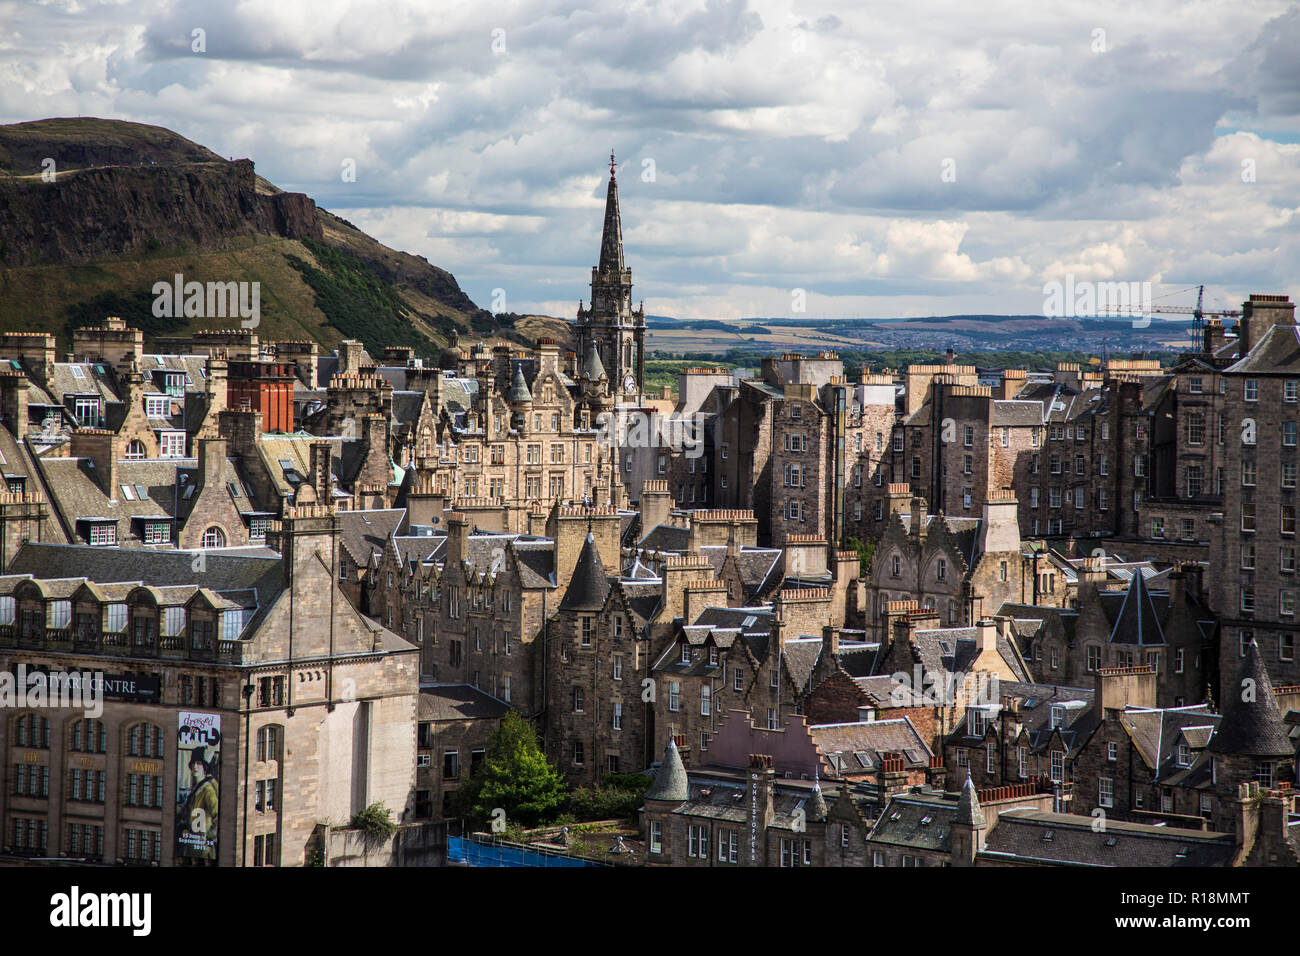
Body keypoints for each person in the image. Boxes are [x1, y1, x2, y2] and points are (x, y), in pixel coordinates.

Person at [178, 749, 219, 861]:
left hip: (203, 850)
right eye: (193, 763)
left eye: (199, 763)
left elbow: (218, 816)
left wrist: (208, 836)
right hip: (191, 845)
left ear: (205, 767)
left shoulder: (208, 790)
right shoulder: (197, 788)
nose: (195, 767)